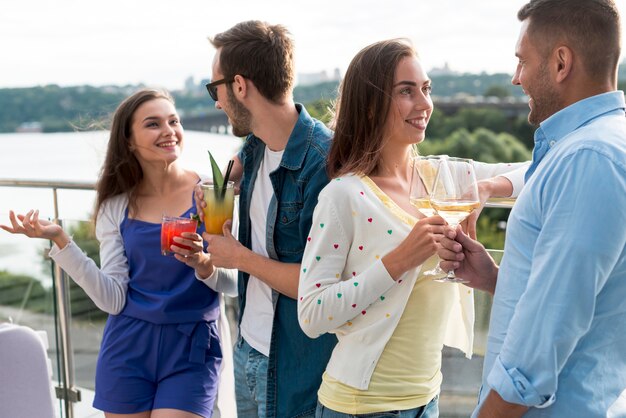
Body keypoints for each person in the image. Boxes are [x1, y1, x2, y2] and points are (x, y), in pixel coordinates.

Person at [297, 39, 528, 418]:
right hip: (360, 408)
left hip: (427, 402)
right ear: (370, 106)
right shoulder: (344, 197)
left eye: (426, 89)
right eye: (407, 91)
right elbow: (311, 315)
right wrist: (399, 260)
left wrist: (487, 187)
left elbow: (545, 172)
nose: (424, 104)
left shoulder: (447, 177)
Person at [436, 1, 626, 417]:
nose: (515, 77)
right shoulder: (598, 146)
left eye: (522, 61)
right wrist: (498, 281)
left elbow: (536, 355)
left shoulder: (589, 159)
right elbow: (579, 299)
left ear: (561, 62)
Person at [1, 88, 236, 418]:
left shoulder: (213, 193)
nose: (169, 131)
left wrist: (204, 264)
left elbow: (234, 283)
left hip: (191, 348)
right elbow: (113, 300)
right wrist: (61, 241)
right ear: (128, 141)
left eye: (174, 121)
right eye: (153, 124)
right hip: (129, 347)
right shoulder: (116, 207)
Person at [199, 20, 337, 418]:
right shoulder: (258, 143)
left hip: (296, 366)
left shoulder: (322, 164)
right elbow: (243, 155)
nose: (216, 103)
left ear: (240, 86)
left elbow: (317, 285)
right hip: (248, 350)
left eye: (216, 89)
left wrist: (237, 256)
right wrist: (221, 185)